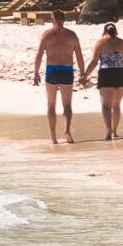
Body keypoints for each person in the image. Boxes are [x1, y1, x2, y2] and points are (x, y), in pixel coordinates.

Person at [30, 11, 83, 145]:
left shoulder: (47, 35)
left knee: (51, 104)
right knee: (67, 105)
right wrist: (82, 73)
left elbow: (39, 55)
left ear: (52, 20)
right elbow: (79, 56)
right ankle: (67, 129)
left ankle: (53, 137)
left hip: (52, 70)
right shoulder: (72, 35)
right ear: (64, 20)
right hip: (67, 70)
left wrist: (36, 73)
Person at [87, 22, 123, 141]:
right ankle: (115, 131)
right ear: (116, 31)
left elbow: (94, 62)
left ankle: (108, 129)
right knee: (116, 105)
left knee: (106, 105)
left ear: (104, 32)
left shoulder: (101, 43)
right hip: (122, 73)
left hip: (107, 73)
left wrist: (85, 76)